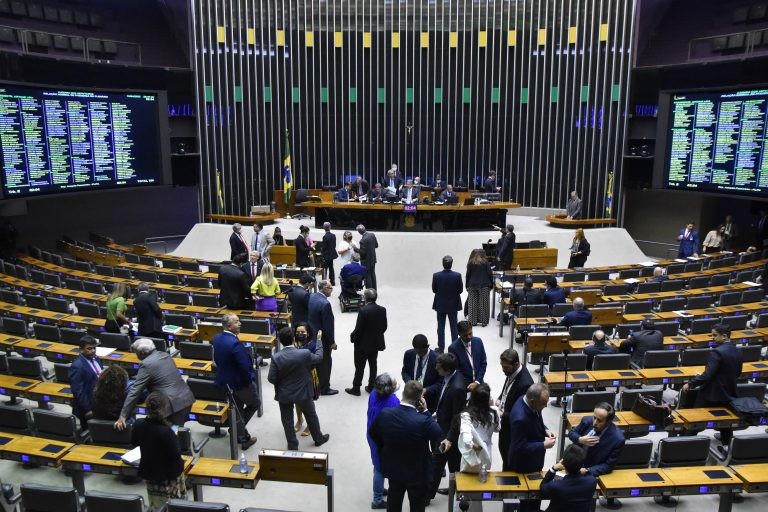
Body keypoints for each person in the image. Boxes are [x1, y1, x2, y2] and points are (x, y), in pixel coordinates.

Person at [369, 380, 444, 512]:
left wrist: (385, 448)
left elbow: (373, 434)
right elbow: (438, 435)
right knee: (417, 506)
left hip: (394, 469)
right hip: (417, 472)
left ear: (403, 393)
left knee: (393, 502)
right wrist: (426, 411)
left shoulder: (385, 414)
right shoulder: (423, 420)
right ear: (420, 399)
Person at [681, 323, 743, 449]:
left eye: (715, 335)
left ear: (724, 336)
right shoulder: (738, 350)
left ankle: (684, 445)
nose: (712, 338)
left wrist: (690, 383)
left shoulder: (716, 352)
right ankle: (728, 447)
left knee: (695, 421)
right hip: (728, 392)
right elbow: (738, 373)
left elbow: (707, 375)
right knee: (725, 422)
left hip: (711, 393)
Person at [268, 326, 330, 450]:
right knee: (311, 415)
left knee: (287, 421)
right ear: (293, 339)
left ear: (281, 341)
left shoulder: (276, 357)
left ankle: (292, 445)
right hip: (304, 392)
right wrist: (318, 341)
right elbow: (319, 358)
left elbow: (271, 379)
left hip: (284, 394)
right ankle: (318, 438)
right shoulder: (304, 354)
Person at [115, 338, 195, 429]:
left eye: (136, 353)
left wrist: (123, 416)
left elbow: (135, 391)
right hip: (186, 398)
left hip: (171, 406)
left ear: (142, 354)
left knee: (170, 434)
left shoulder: (146, 364)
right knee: (177, 430)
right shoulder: (165, 355)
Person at [505, 383, 557, 511]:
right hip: (524, 464)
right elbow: (519, 446)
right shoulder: (520, 418)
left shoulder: (526, 399)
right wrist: (543, 445)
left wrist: (545, 430)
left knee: (534, 498)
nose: (546, 406)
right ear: (533, 401)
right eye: (543, 403)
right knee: (528, 497)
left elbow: (536, 419)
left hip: (534, 460)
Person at [132, 391, 187, 510]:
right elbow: (175, 455)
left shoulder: (138, 424)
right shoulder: (167, 432)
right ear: (165, 409)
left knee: (155, 505)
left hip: (150, 472)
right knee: (175, 507)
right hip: (169, 476)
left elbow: (134, 443)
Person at [212, 314, 259, 450]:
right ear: (229, 326)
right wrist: (250, 380)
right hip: (240, 383)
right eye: (236, 322)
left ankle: (239, 432)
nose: (240, 323)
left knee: (237, 409)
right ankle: (239, 431)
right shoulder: (235, 343)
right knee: (255, 403)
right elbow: (244, 367)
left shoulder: (217, 338)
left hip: (225, 381)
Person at [425, 353, 466, 501]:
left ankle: (427, 497)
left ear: (447, 370)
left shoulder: (457, 388)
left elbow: (457, 417)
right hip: (444, 426)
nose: (436, 369)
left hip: (447, 435)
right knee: (454, 465)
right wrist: (437, 413)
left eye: (439, 367)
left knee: (436, 465)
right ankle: (455, 489)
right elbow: (445, 403)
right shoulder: (450, 377)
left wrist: (448, 439)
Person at [366, 373, 400, 509]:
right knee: (380, 469)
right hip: (384, 440)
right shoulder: (393, 402)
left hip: (372, 435)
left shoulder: (373, 394)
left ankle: (379, 490)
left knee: (377, 465)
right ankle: (377, 500)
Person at [496, 348, 534, 469]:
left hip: (513, 430)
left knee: (510, 461)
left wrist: (502, 414)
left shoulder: (525, 384)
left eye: (505, 367)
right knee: (504, 454)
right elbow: (508, 387)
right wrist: (500, 397)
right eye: (502, 366)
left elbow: (522, 414)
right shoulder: (512, 372)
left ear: (516, 364)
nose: (503, 370)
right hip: (506, 425)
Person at [347, 289, 388, 396]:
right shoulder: (382, 309)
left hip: (362, 345)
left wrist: (354, 338)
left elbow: (359, 329)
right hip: (375, 343)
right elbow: (384, 327)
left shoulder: (363, 310)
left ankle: (356, 388)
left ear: (365, 298)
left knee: (360, 366)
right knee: (373, 364)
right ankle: (371, 386)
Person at [567, 402, 625, 477]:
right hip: (572, 464)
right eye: (594, 417)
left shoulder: (617, 439)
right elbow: (571, 433)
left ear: (609, 422)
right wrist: (580, 439)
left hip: (591, 473)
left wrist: (587, 471)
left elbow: (608, 466)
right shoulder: (587, 421)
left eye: (600, 420)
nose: (594, 422)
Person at [540, 445, 597, 512]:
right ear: (582, 465)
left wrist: (553, 469)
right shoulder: (592, 481)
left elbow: (542, 487)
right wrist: (584, 470)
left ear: (563, 463)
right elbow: (589, 476)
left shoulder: (554, 485)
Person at [457, 383, 500, 473]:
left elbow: (466, 434)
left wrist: (472, 444)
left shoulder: (466, 415)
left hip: (471, 454)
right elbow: (497, 429)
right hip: (486, 453)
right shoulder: (495, 412)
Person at [308, 279, 338, 395]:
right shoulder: (325, 304)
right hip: (323, 338)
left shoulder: (313, 296)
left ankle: (315, 384)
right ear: (324, 288)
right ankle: (324, 388)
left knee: (317, 362)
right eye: (330, 288)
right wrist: (332, 342)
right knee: (325, 362)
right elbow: (328, 327)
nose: (332, 290)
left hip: (313, 335)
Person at [292, 322, 321, 437]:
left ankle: (310, 424)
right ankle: (300, 420)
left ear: (308, 333)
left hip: (309, 375)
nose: (300, 334)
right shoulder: (294, 344)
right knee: (297, 400)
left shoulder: (313, 345)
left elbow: (317, 359)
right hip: (296, 376)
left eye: (303, 332)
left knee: (309, 402)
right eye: (298, 332)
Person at [432, 255, 463, 353]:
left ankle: (441, 348)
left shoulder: (436, 275)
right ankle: (454, 347)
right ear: (451, 263)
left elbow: (434, 290)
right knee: (454, 327)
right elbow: (460, 290)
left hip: (440, 304)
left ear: (443, 263)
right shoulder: (457, 276)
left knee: (440, 327)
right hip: (453, 304)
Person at [69, 335, 102, 428]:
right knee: (88, 431)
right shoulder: (77, 366)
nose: (93, 351)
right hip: (87, 407)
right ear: (81, 349)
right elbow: (77, 390)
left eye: (94, 348)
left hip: (98, 402)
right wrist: (87, 410)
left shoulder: (97, 359)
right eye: (89, 348)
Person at [449, 320, 488, 390]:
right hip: (464, 385)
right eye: (465, 335)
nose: (469, 337)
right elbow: (456, 370)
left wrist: (477, 382)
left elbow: (483, 363)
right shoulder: (453, 348)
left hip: (479, 382)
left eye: (470, 333)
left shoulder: (478, 341)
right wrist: (469, 385)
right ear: (459, 334)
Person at [465, 249, 493, 327]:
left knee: (472, 304)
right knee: (484, 304)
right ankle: (484, 322)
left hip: (472, 285)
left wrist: (467, 285)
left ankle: (473, 322)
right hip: (484, 285)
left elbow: (468, 275)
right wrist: (491, 284)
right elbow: (490, 274)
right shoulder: (485, 262)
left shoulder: (470, 262)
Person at [356, 224, 378, 290]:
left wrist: (355, 249)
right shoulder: (372, 235)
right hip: (373, 259)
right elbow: (376, 245)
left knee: (367, 276)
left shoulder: (362, 240)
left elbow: (363, 252)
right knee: (373, 274)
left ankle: (369, 291)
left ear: (359, 232)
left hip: (366, 261)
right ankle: (374, 291)